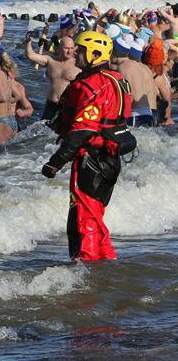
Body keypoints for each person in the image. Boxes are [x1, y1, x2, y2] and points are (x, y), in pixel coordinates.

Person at [41, 31, 134, 261]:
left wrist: (55, 162)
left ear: (94, 54)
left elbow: (82, 131)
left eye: (80, 51)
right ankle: (105, 260)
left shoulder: (93, 85)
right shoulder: (116, 79)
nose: (75, 54)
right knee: (94, 216)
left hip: (92, 159)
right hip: (109, 157)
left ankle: (87, 265)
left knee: (83, 220)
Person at [25, 35, 80, 121]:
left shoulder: (78, 64)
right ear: (60, 48)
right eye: (66, 48)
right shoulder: (51, 60)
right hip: (50, 105)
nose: (69, 51)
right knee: (44, 128)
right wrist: (28, 42)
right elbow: (30, 55)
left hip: (67, 106)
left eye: (71, 48)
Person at [0, 45, 28, 145]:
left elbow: (2, 97)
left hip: (1, 122)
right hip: (12, 121)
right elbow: (18, 96)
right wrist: (8, 100)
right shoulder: (6, 74)